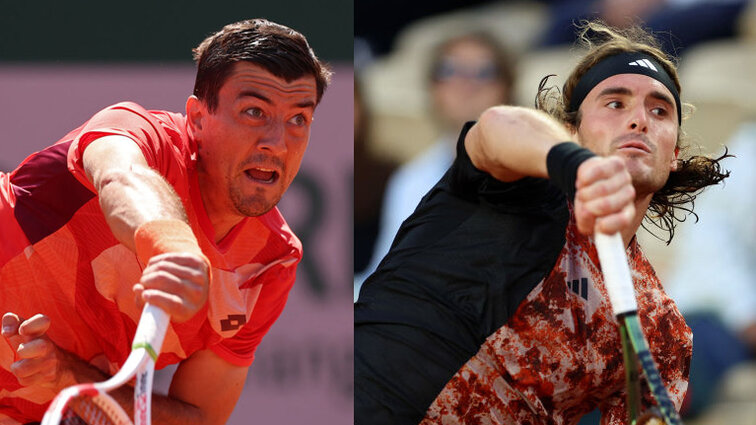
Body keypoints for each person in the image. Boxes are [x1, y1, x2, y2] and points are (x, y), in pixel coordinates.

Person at [354, 21, 729, 424]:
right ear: (571, 131)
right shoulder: (517, 184)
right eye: (615, 104)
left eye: (659, 110)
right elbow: (495, 126)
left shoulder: (660, 333)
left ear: (674, 155)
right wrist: (574, 166)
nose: (639, 120)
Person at [0, 18, 331, 424]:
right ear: (196, 118)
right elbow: (122, 178)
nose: (277, 142)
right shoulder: (135, 130)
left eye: (299, 119)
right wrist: (173, 248)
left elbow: (198, 419)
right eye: (253, 112)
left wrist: (66, 376)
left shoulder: (272, 263)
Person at [354, 32, 515, 296]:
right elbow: (384, 277)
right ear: (432, 88)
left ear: (506, 87)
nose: (467, 83)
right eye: (450, 69)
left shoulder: (535, 170)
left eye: (485, 72)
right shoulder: (410, 179)